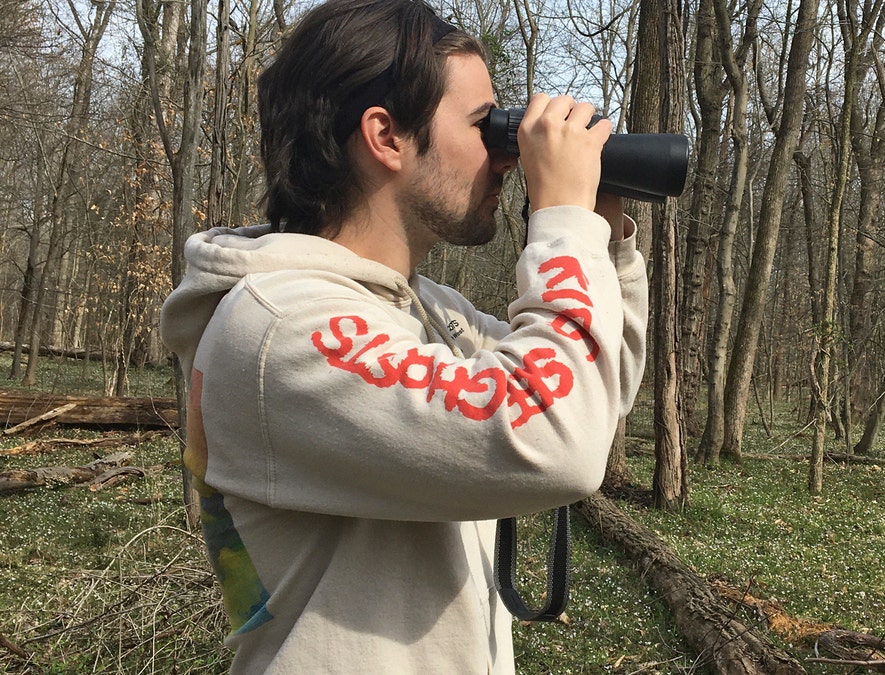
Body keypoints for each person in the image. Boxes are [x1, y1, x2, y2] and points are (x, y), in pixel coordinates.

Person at [158, 0, 648, 671]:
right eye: (486, 127)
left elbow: (590, 399)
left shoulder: (429, 313)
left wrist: (604, 240)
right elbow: (553, 438)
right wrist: (561, 223)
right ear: (385, 135)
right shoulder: (277, 327)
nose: (505, 157)